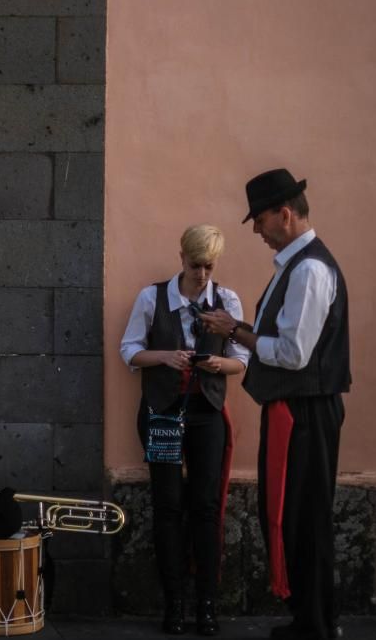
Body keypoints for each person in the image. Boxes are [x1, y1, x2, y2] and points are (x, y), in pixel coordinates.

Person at [200, 170, 349, 640]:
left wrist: (233, 330)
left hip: (303, 411)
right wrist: (239, 328)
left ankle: (315, 626)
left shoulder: (308, 269)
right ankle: (312, 619)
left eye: (259, 219)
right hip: (299, 409)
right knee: (297, 517)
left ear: (285, 214)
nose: (256, 230)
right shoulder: (298, 266)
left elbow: (291, 353)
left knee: (300, 518)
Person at [120, 224, 248, 636]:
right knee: (168, 506)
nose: (203, 274)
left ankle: (206, 605)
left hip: (207, 410)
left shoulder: (226, 301)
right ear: (182, 258)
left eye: (210, 266)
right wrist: (165, 357)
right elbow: (129, 351)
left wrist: (216, 364)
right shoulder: (152, 297)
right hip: (162, 411)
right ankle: (174, 603)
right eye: (196, 265)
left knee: (206, 507)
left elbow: (242, 360)